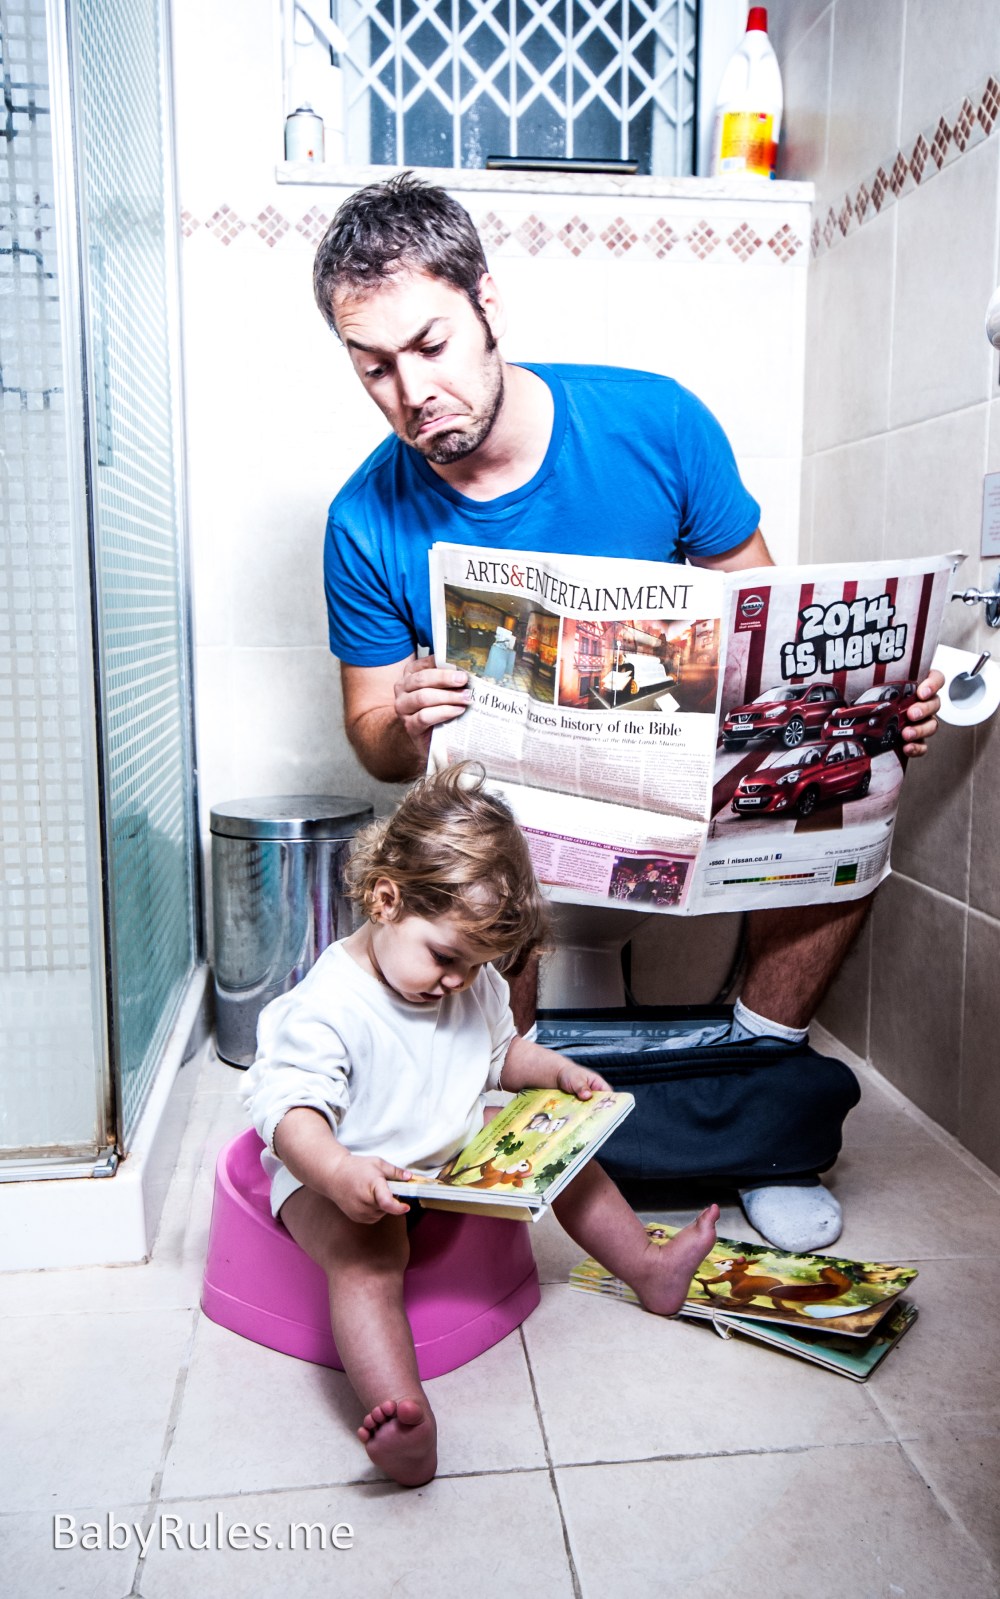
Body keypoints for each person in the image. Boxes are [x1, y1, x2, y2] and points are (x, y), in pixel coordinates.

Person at [310, 172, 943, 1253]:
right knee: (463, 850)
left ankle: (755, 1103)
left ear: (487, 306)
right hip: (520, 814)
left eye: (430, 345)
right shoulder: (364, 518)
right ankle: (505, 1125)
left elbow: (771, 624)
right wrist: (404, 712)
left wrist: (868, 706)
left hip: (681, 783)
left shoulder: (654, 421)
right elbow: (371, 744)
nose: (410, 392)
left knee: (844, 802)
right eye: (373, 367)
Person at [241, 766, 719, 1488]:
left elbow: (500, 1053)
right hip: (344, 1174)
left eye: (475, 966)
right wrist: (342, 1175)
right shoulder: (328, 1007)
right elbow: (291, 1117)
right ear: (385, 896)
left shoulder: (469, 979)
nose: (458, 982)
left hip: (440, 1159)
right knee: (371, 1251)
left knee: (563, 1156)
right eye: (445, 958)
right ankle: (403, 1414)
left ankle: (648, 1269)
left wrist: (554, 1072)